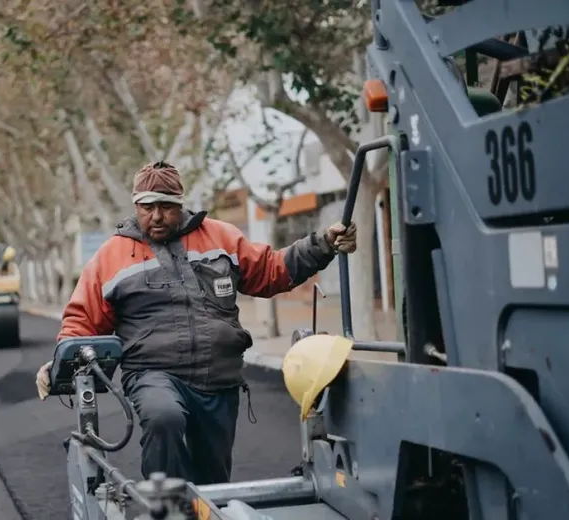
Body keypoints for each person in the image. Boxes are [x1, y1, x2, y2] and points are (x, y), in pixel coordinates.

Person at [34, 161, 358, 485]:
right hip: (152, 373)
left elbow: (271, 270)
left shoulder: (221, 238)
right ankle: (166, 504)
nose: (157, 216)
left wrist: (323, 245)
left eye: (166, 207)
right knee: (164, 417)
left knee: (213, 480)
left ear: (180, 204)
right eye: (147, 207)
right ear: (136, 206)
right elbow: (82, 320)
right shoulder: (111, 256)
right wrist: (60, 361)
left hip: (219, 380)